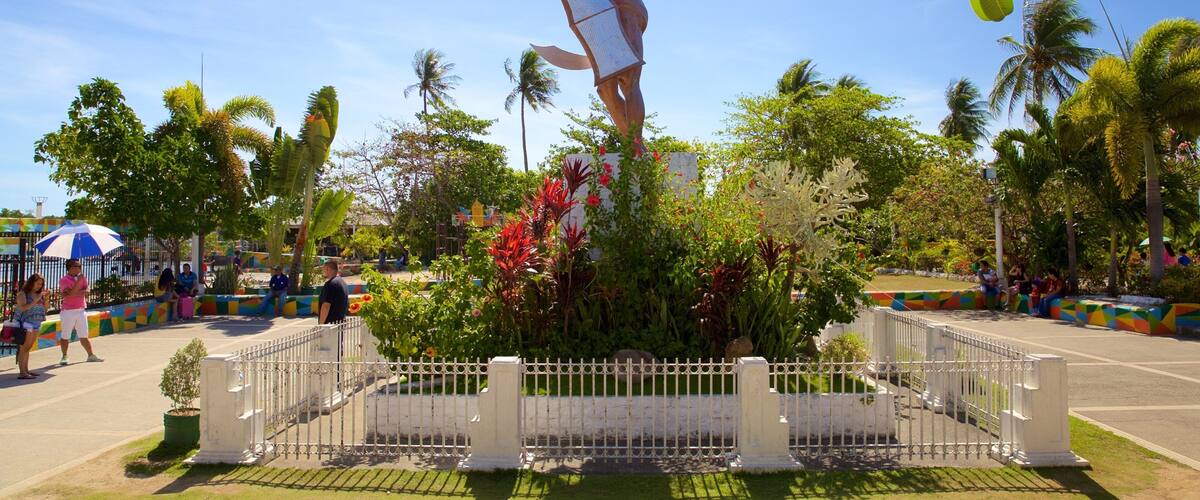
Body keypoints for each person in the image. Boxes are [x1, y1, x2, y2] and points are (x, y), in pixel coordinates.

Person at [59, 259, 101, 365]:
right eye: (77, 266)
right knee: (66, 335)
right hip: (68, 311)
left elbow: (87, 291)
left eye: (80, 266)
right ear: (71, 267)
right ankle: (64, 355)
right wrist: (78, 285)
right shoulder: (64, 280)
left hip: (81, 309)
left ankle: (90, 355)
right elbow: (71, 294)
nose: (80, 268)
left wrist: (76, 291)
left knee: (84, 335)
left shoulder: (83, 278)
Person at [13, 274, 48, 379]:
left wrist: (46, 298)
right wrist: (35, 301)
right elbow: (23, 308)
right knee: (24, 347)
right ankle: (22, 372)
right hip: (26, 324)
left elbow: (45, 309)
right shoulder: (22, 294)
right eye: (37, 283)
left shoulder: (38, 294)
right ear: (31, 282)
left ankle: (26, 370)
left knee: (28, 348)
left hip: (36, 323)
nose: (39, 286)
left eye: (41, 284)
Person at [317, 260, 349, 325]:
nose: (323, 272)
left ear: (327, 269)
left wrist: (320, 325)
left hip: (330, 325)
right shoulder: (342, 282)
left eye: (323, 269)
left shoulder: (330, 284)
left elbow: (326, 306)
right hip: (340, 323)